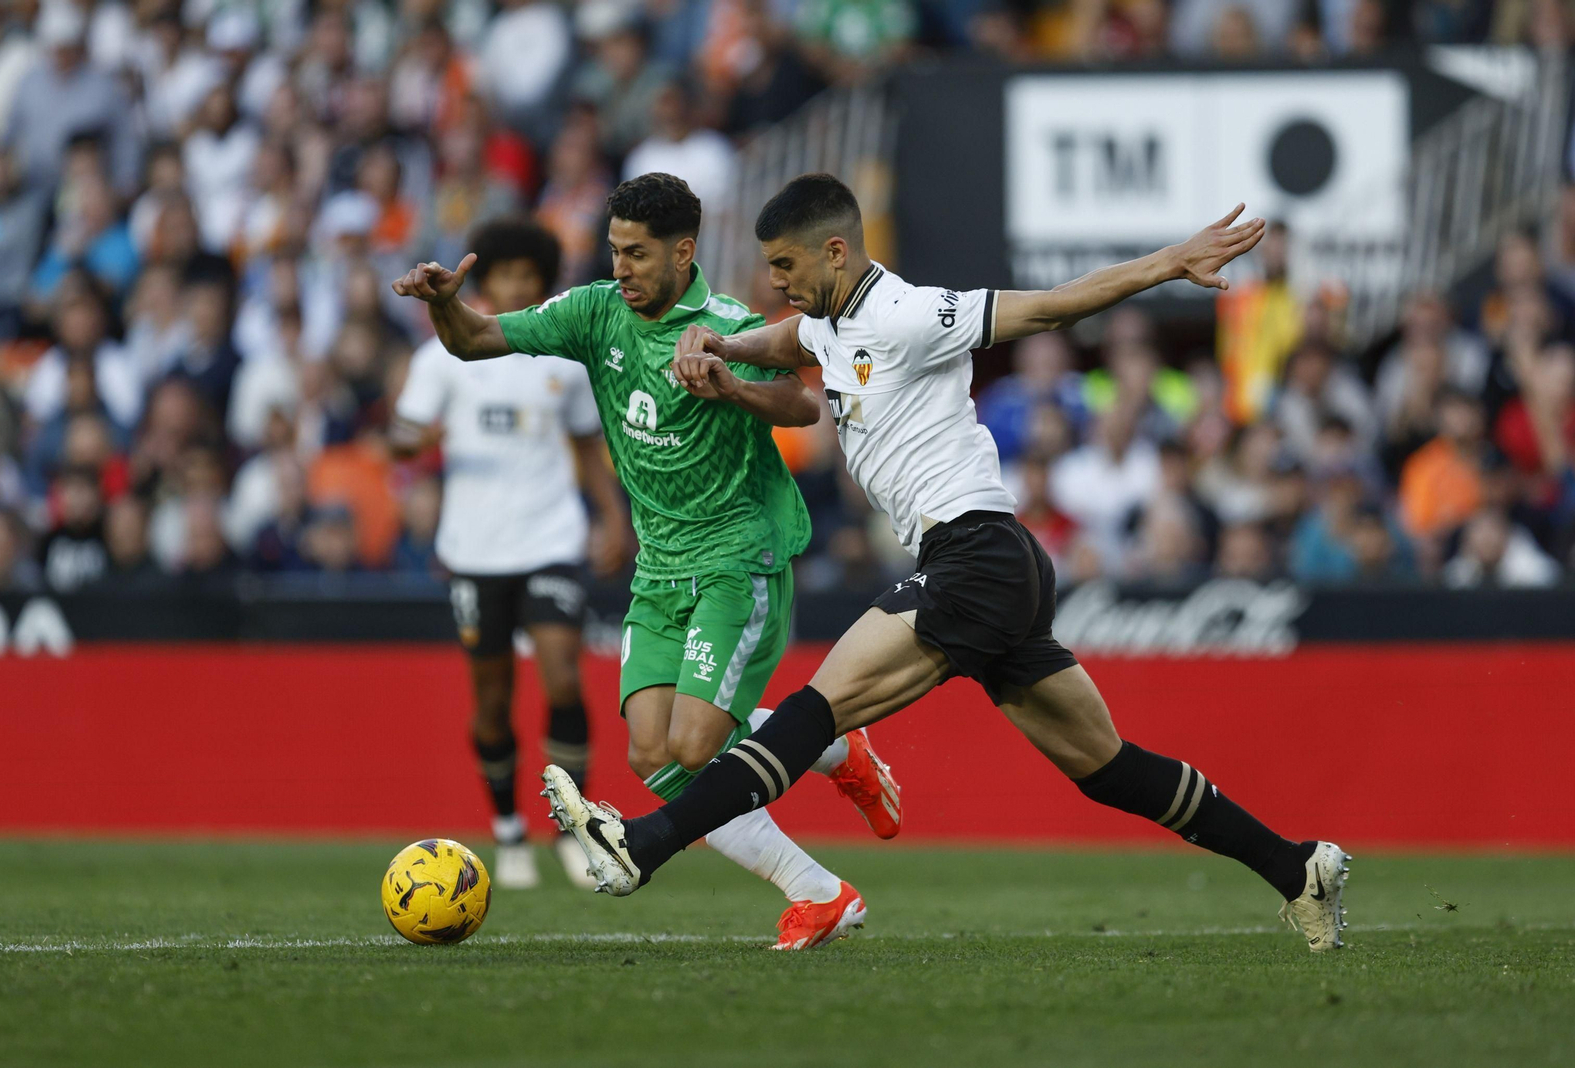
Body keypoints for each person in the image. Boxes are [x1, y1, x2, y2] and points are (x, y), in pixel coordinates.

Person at [546, 173, 1350, 955]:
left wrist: (1168, 262)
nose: (774, 281)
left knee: (815, 711)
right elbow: (792, 340)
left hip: (974, 554)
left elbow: (1050, 306)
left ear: (834, 252)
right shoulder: (824, 320)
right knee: (1108, 770)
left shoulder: (909, 313)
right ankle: (1297, 867)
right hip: (994, 562)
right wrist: (722, 342)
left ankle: (643, 843)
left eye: (785, 266)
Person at [390, 174, 902, 950]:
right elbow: (474, 341)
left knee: (697, 748)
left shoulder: (725, 324)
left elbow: (804, 404)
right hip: (658, 572)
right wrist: (442, 303)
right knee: (653, 759)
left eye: (637, 254)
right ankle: (824, 837)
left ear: (683, 251)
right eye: (614, 251)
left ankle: (821, 830)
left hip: (738, 558)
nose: (620, 267)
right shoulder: (595, 313)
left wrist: (729, 384)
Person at [391, 219, 630, 890]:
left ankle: (575, 831)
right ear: (487, 280)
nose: (519, 285)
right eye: (507, 275)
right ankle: (506, 830)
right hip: (473, 550)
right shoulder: (444, 355)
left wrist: (613, 519)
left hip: (550, 541)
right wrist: (413, 441)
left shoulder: (561, 357)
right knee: (492, 702)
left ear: (543, 281)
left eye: (530, 275)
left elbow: (587, 447)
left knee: (562, 680)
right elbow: (402, 435)